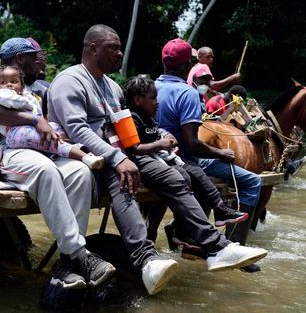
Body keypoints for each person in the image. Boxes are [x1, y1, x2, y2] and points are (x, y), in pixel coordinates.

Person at [47, 25, 267, 293]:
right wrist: (118, 158)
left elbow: (135, 124)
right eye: (113, 48)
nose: (119, 53)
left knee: (176, 175)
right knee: (123, 179)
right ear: (92, 48)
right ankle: (146, 259)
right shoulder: (69, 81)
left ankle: (215, 246)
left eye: (119, 48)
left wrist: (158, 139)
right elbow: (77, 131)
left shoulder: (113, 87)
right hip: (86, 158)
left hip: (121, 154)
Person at [0, 37, 116, 291]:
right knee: (45, 170)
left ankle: (65, 264)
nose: (40, 61)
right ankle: (80, 255)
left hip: (40, 149)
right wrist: (33, 121)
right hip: (5, 151)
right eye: (35, 57)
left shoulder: (35, 87)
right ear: (20, 59)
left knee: (79, 172)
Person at [155, 38, 265, 273]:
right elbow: (192, 144)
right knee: (253, 182)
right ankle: (234, 248)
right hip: (184, 158)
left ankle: (194, 237)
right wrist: (220, 152)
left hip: (158, 156)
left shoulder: (151, 87)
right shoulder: (188, 94)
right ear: (187, 67)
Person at [123, 76, 248, 234]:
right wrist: (160, 144)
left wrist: (166, 136)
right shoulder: (133, 119)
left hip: (163, 156)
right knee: (183, 176)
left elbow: (157, 131)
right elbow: (134, 147)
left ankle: (219, 207)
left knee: (196, 171)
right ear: (138, 100)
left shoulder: (149, 117)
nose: (157, 102)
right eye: (153, 98)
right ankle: (188, 229)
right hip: (152, 160)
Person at [0, 65, 104, 169]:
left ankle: (69, 146)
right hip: (15, 132)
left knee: (56, 127)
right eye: (3, 83)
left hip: (32, 127)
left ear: (22, 85)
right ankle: (83, 156)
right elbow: (13, 103)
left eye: (14, 81)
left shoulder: (26, 95)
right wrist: (28, 102)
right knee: (49, 140)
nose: (9, 85)